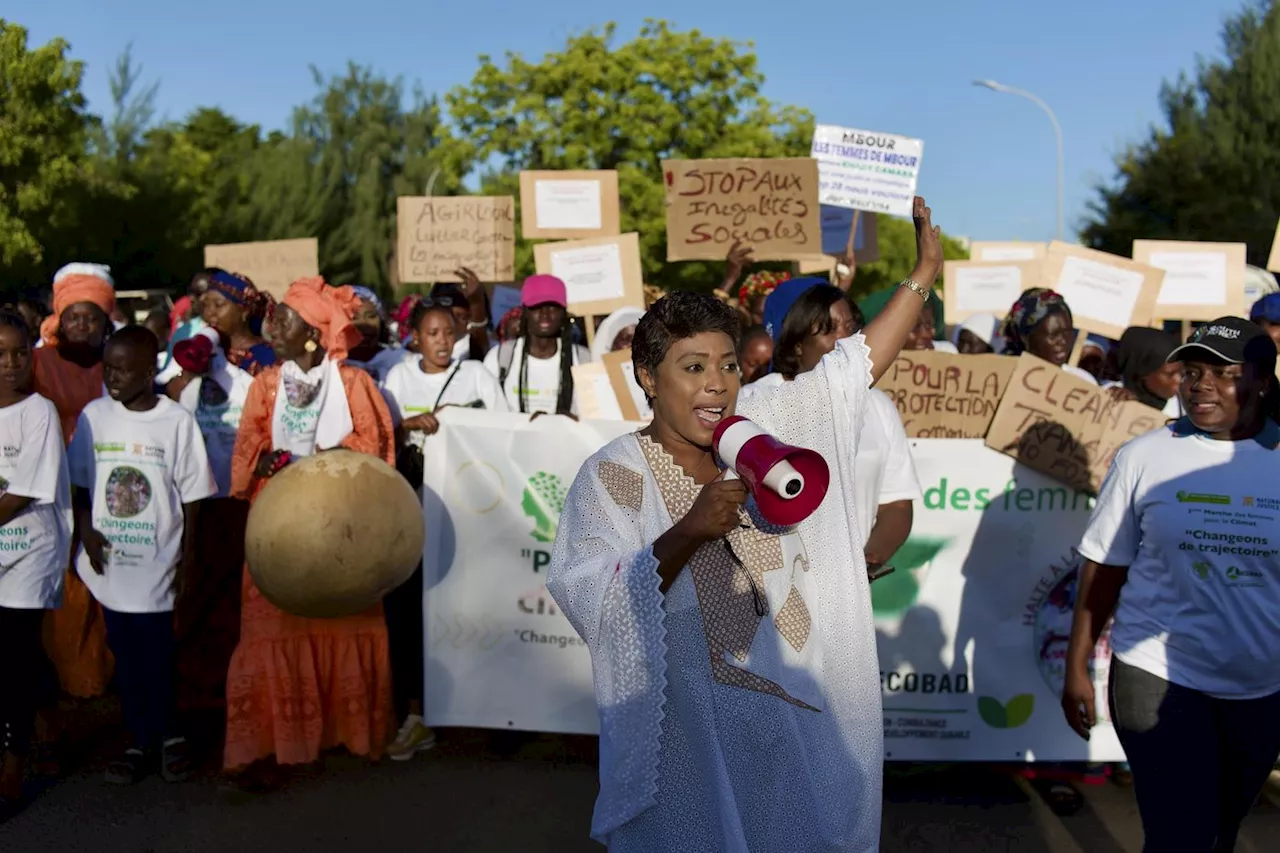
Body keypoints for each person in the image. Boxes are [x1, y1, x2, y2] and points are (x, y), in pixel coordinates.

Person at [547, 196, 943, 851]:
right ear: (648, 376)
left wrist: (924, 270)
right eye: (692, 367)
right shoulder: (614, 475)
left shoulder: (769, 436)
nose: (716, 385)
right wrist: (688, 530)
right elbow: (591, 594)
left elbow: (854, 367)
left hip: (780, 745)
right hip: (683, 760)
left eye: (728, 365)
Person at [1062, 317, 1280, 851]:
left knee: (1220, 833)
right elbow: (1104, 569)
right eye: (1192, 371)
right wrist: (1077, 665)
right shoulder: (1145, 458)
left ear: (1262, 382)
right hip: (1157, 674)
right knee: (1179, 835)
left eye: (1223, 373)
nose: (1199, 384)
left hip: (1261, 686)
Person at [222, 277, 395, 780]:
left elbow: (377, 450)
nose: (273, 326)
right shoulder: (265, 384)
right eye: (275, 317)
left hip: (342, 532)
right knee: (270, 626)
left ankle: (350, 734)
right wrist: (265, 464)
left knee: (343, 620)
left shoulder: (355, 384)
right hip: (278, 527)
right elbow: (244, 457)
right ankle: (271, 742)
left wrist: (333, 457)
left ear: (315, 334)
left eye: (286, 319)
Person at [68, 326, 216, 785]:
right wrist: (87, 532)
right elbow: (77, 484)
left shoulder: (175, 422)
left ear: (149, 371)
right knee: (126, 654)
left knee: (158, 654)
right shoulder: (95, 416)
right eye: (108, 366)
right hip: (111, 563)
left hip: (158, 562)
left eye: (124, 368)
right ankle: (139, 740)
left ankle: (171, 737)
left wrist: (188, 563)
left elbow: (194, 498)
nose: (113, 376)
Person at [378, 298, 508, 761]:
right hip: (410, 514)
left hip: (466, 516)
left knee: (467, 610)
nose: (442, 341)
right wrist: (407, 423)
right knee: (410, 612)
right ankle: (414, 713)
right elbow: (375, 434)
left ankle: (481, 714)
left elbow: (504, 435)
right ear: (414, 336)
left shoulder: (477, 377)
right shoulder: (396, 378)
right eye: (432, 333)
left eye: (449, 332)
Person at [752, 282, 921, 581]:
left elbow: (896, 502)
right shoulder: (756, 403)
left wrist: (868, 560)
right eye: (829, 329)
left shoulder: (878, 405)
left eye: (851, 326)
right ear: (797, 343)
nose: (845, 339)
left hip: (850, 594)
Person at [0, 312, 71, 822]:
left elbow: (24, 491)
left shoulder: (39, 411)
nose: (10, 364)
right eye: (0, 355)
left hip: (31, 546)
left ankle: (11, 767)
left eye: (19, 354)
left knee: (15, 654)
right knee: (18, 649)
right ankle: (50, 722)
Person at [34, 263, 116, 701]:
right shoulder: (36, 363)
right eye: (74, 317)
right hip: (51, 494)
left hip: (108, 491)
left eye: (93, 318)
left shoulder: (119, 363)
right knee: (64, 594)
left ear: (107, 321)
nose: (82, 326)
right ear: (60, 319)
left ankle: (102, 687)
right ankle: (68, 691)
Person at [170, 327, 256, 721]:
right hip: (197, 504)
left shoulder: (249, 380)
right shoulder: (182, 386)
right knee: (198, 593)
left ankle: (234, 684)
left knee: (234, 598)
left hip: (237, 503)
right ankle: (199, 689)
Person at [483, 275, 590, 415]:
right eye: (536, 307)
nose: (544, 314)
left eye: (553, 307)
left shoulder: (583, 360)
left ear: (563, 312)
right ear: (525, 311)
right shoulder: (499, 358)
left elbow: (595, 416)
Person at [1001, 288, 1097, 384]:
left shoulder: (1083, 382)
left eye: (1067, 332)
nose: (1063, 341)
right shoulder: (1001, 377)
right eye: (1053, 335)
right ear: (1027, 339)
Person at [201, 271, 276, 377]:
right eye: (206, 305)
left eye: (218, 305)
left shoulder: (268, 359)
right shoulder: (204, 352)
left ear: (244, 311)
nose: (209, 313)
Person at [1104, 327, 1182, 418]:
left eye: (1182, 372)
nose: (1180, 380)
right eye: (1170, 374)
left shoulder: (1184, 411)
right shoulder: (1106, 392)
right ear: (1142, 372)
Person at [344, 286, 408, 382]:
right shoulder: (330, 365)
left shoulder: (402, 360)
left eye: (371, 316)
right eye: (354, 317)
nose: (364, 323)